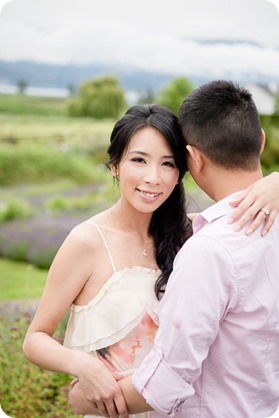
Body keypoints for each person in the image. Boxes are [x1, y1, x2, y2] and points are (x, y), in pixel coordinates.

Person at [24, 102, 278, 418]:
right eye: (139, 160)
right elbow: (35, 338)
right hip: (111, 407)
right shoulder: (87, 241)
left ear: (182, 170)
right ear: (115, 165)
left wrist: (274, 182)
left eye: (168, 164)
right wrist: (83, 365)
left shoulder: (192, 235)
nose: (153, 177)